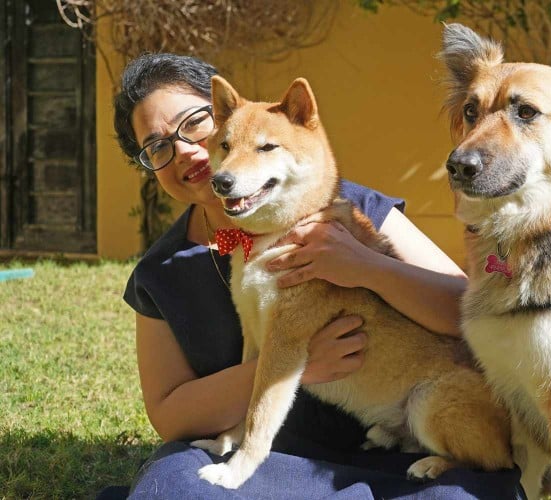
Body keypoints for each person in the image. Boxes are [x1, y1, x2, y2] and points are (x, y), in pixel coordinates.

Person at [104, 52, 523, 499]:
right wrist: (298, 365)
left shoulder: (348, 209)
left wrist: (367, 267)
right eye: (157, 146)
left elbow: (468, 308)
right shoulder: (161, 273)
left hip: (390, 446)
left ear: (220, 113)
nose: (185, 150)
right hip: (276, 457)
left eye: (192, 123)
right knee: (171, 486)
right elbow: (170, 417)